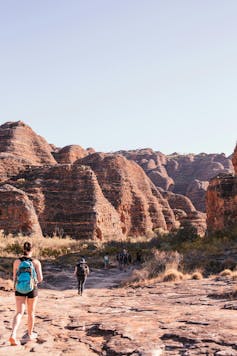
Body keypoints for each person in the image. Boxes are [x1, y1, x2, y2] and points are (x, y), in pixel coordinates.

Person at [9, 241, 43, 346]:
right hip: (32, 289)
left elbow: (14, 277)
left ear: (23, 249)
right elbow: (40, 278)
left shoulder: (16, 262)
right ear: (32, 250)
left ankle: (13, 334)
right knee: (30, 313)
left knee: (19, 312)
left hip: (19, 289)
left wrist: (17, 286)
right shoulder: (36, 262)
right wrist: (33, 282)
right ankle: (29, 334)